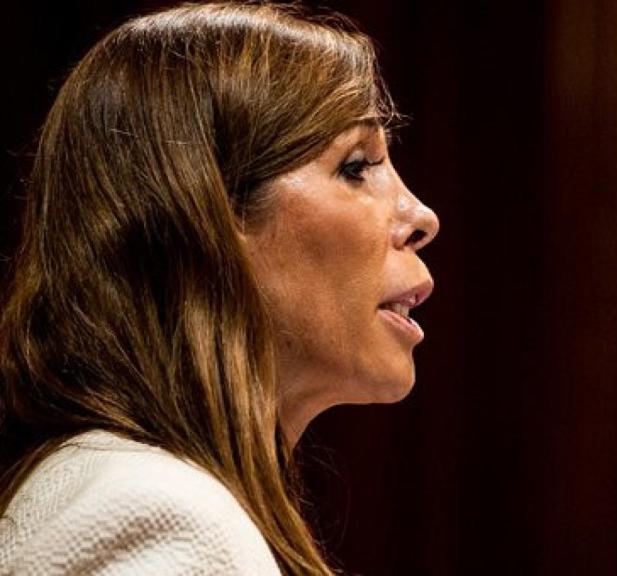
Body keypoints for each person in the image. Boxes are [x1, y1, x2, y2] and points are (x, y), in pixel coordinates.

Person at [0, 2, 438, 574]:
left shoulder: (127, 488)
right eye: (357, 166)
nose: (421, 216)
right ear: (204, 215)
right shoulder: (158, 516)